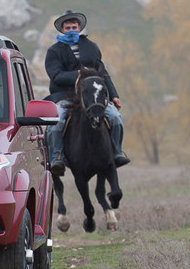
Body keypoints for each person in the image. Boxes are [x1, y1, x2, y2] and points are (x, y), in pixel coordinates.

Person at [44, 10, 130, 176]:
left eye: (74, 27)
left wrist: (114, 95)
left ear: (79, 27)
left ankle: (116, 152)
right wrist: (77, 75)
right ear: (61, 29)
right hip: (64, 96)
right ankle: (57, 157)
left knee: (115, 118)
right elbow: (55, 76)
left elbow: (102, 73)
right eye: (67, 27)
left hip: (93, 97)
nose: (71, 30)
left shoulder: (91, 47)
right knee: (57, 123)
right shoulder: (54, 51)